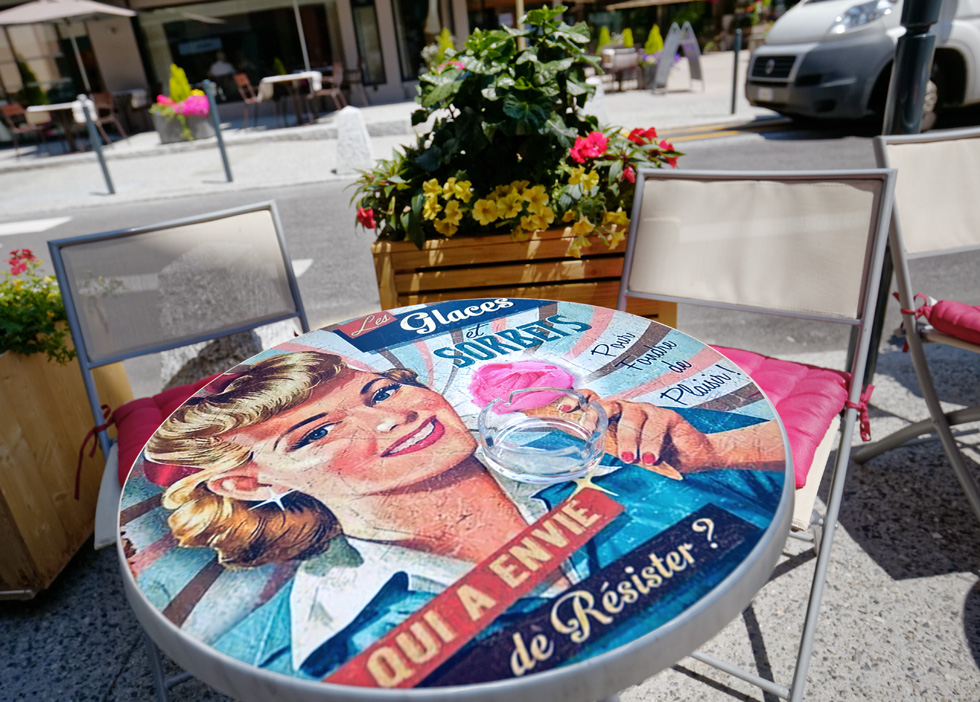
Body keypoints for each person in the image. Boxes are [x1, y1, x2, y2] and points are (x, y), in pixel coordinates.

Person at [141, 349, 785, 680]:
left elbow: (789, 468)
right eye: (313, 435)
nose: (398, 415)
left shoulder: (592, 441)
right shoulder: (324, 646)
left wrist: (717, 453)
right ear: (249, 483)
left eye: (385, 390)